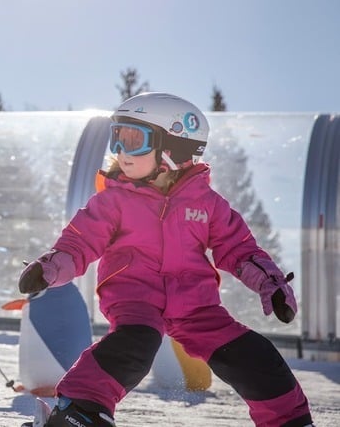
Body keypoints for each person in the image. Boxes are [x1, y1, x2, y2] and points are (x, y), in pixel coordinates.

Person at [18, 92, 314, 427]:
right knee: (134, 346)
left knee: (253, 355)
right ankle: (78, 409)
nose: (121, 152)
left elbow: (239, 249)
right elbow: (81, 241)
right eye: (117, 138)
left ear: (174, 148)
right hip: (135, 297)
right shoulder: (114, 201)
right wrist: (53, 266)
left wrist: (270, 283)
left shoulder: (207, 204)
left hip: (196, 304)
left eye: (134, 140)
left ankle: (289, 421)